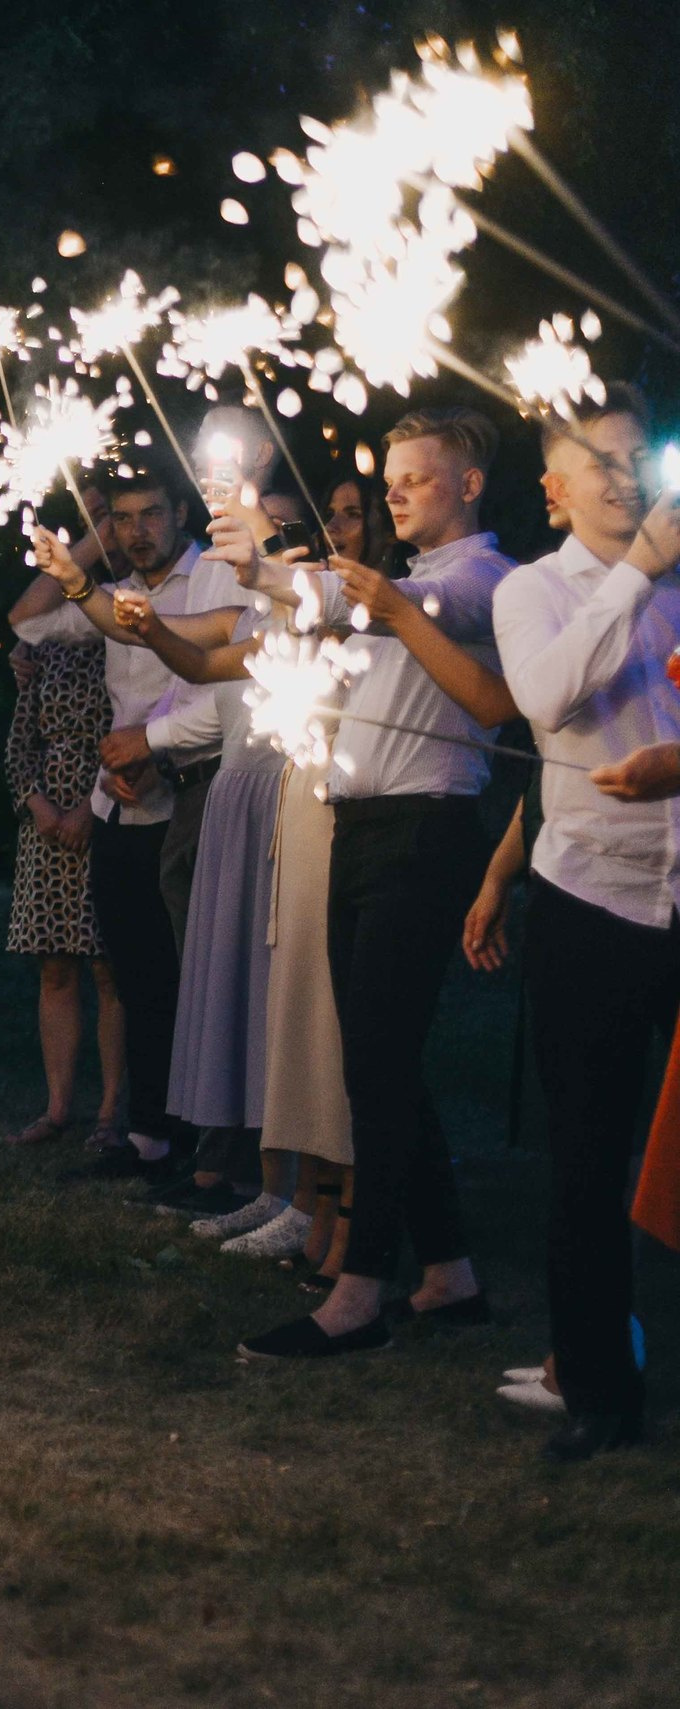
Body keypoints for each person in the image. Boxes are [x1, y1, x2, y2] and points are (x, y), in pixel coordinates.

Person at [237, 407, 518, 1359]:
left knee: (378, 1064)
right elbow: (334, 599)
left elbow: (394, 608)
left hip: (423, 834)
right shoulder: (410, 580)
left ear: (469, 485)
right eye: (389, 476)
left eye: (415, 477)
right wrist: (261, 570)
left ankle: (360, 1288)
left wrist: (303, 581)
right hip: (363, 830)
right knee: (380, 1058)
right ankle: (449, 1273)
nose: (393, 491)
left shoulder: (485, 577)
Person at [489, 386, 680, 1459]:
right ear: (555, 489)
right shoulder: (534, 590)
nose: (620, 477)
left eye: (632, 457)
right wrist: (636, 571)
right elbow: (547, 699)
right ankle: (600, 1391)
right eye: (594, 463)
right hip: (591, 900)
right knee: (588, 1156)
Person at [9, 463, 251, 1184]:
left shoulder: (210, 580)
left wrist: (159, 754)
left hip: (186, 796)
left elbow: (216, 678)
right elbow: (26, 619)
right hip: (116, 804)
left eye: (150, 514)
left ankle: (200, 1143)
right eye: (122, 518)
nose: (136, 531)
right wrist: (83, 540)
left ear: (182, 512)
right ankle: (147, 1136)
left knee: (188, 976)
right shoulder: (108, 595)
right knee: (137, 973)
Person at [0, 592, 126, 1151]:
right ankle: (57, 1107)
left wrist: (89, 810)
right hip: (46, 827)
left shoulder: (125, 643)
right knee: (56, 969)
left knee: (108, 968)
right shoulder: (43, 648)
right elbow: (19, 740)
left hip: (109, 803)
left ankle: (110, 1110)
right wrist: (38, 804)